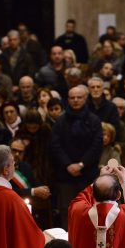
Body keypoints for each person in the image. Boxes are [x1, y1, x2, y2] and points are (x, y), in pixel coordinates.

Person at [50, 85, 103, 228]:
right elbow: (55, 145)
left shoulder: (94, 120)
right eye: (72, 97)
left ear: (85, 98)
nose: (75, 100)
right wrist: (68, 165)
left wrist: (81, 164)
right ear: (68, 99)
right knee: (67, 210)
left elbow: (96, 146)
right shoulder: (60, 121)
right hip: (65, 174)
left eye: (79, 97)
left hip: (87, 173)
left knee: (90, 209)